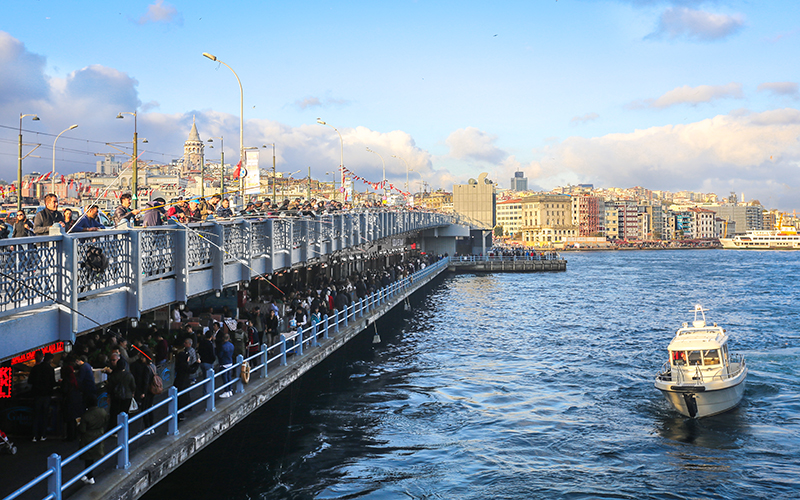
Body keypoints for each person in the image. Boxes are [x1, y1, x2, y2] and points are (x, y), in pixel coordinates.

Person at [78, 394, 108, 485]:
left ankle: (90, 476)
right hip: (99, 434)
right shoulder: (103, 412)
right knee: (94, 455)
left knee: (88, 457)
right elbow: (106, 421)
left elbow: (82, 429)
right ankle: (88, 474)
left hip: (88, 437)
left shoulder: (86, 415)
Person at [29, 351, 56, 442]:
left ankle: (34, 435)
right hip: (46, 395)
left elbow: (30, 381)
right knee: (44, 415)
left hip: (37, 395)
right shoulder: (50, 369)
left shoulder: (36, 368)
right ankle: (43, 434)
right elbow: (52, 382)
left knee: (36, 415)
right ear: (50, 360)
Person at [106, 357, 136, 430]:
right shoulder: (129, 375)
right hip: (127, 396)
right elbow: (133, 386)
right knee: (124, 413)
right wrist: (132, 393)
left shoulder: (113, 375)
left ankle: (113, 429)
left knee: (114, 413)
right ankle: (123, 428)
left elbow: (110, 387)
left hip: (115, 396)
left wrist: (109, 396)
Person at [130, 348, 155, 434]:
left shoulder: (146, 368)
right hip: (152, 390)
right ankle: (152, 427)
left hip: (147, 391)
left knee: (145, 409)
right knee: (150, 408)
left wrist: (143, 392)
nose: (141, 359)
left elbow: (145, 381)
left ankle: (147, 427)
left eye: (143, 357)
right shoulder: (153, 366)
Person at [59, 362, 83, 441]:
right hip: (77, 400)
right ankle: (75, 435)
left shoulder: (66, 381)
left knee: (70, 420)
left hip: (69, 401)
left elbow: (64, 390)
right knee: (75, 419)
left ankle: (70, 436)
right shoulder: (76, 379)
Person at [217, 333, 234, 398]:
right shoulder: (231, 345)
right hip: (230, 362)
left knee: (225, 378)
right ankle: (230, 390)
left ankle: (226, 391)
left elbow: (220, 355)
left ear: (223, 338)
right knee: (229, 376)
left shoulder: (223, 346)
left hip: (224, 363)